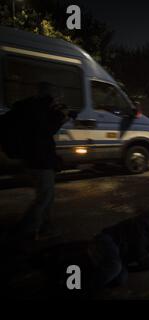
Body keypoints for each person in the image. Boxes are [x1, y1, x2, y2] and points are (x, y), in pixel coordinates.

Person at [8, 83, 70, 240]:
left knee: (47, 195)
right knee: (44, 197)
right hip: (40, 160)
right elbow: (46, 131)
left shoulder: (28, 107)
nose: (57, 99)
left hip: (31, 158)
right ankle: (26, 229)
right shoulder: (40, 110)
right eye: (56, 96)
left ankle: (44, 226)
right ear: (49, 95)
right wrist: (62, 116)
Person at [87, 207, 149, 289]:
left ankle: (98, 259)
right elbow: (139, 254)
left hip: (121, 249)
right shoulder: (142, 222)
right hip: (110, 239)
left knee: (121, 278)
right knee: (115, 266)